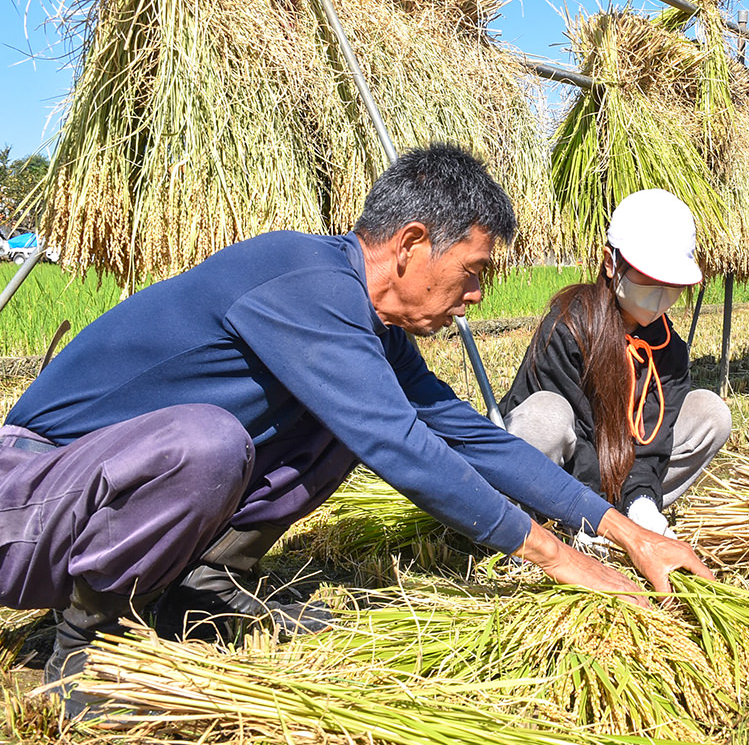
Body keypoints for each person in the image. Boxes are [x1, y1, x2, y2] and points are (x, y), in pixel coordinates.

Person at [2, 146, 712, 718]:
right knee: (211, 442)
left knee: (331, 423)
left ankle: (204, 582)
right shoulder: (302, 278)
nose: (474, 301)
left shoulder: (371, 328)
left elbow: (466, 435)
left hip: (92, 499)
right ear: (409, 245)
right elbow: (402, 448)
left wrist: (625, 531)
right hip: (29, 499)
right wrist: (560, 558)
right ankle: (83, 640)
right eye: (471, 274)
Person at [500, 190, 732, 539]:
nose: (659, 291)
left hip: (622, 480)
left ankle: (632, 512)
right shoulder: (567, 328)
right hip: (557, 476)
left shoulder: (669, 349)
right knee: (545, 415)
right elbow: (578, 437)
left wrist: (641, 501)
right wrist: (591, 510)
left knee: (711, 413)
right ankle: (529, 527)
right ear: (610, 262)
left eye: (671, 282)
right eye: (647, 276)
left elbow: (654, 440)